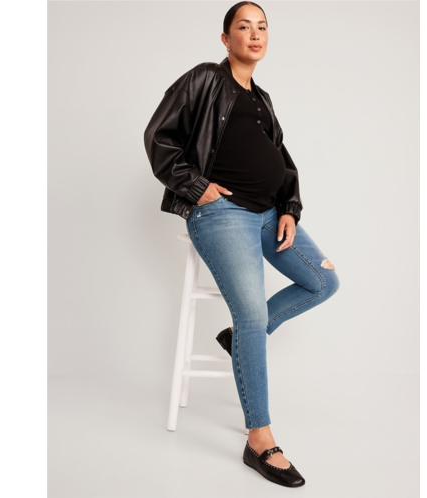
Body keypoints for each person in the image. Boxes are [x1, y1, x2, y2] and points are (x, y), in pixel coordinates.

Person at [143, 1, 340, 488]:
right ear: (225, 38)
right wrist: (196, 187)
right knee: (252, 314)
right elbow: (158, 136)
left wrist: (289, 207)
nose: (255, 34)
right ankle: (260, 440)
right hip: (222, 213)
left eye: (262, 27)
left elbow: (282, 161)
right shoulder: (205, 79)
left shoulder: (262, 99)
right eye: (244, 27)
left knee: (323, 282)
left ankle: (241, 338)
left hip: (270, 214)